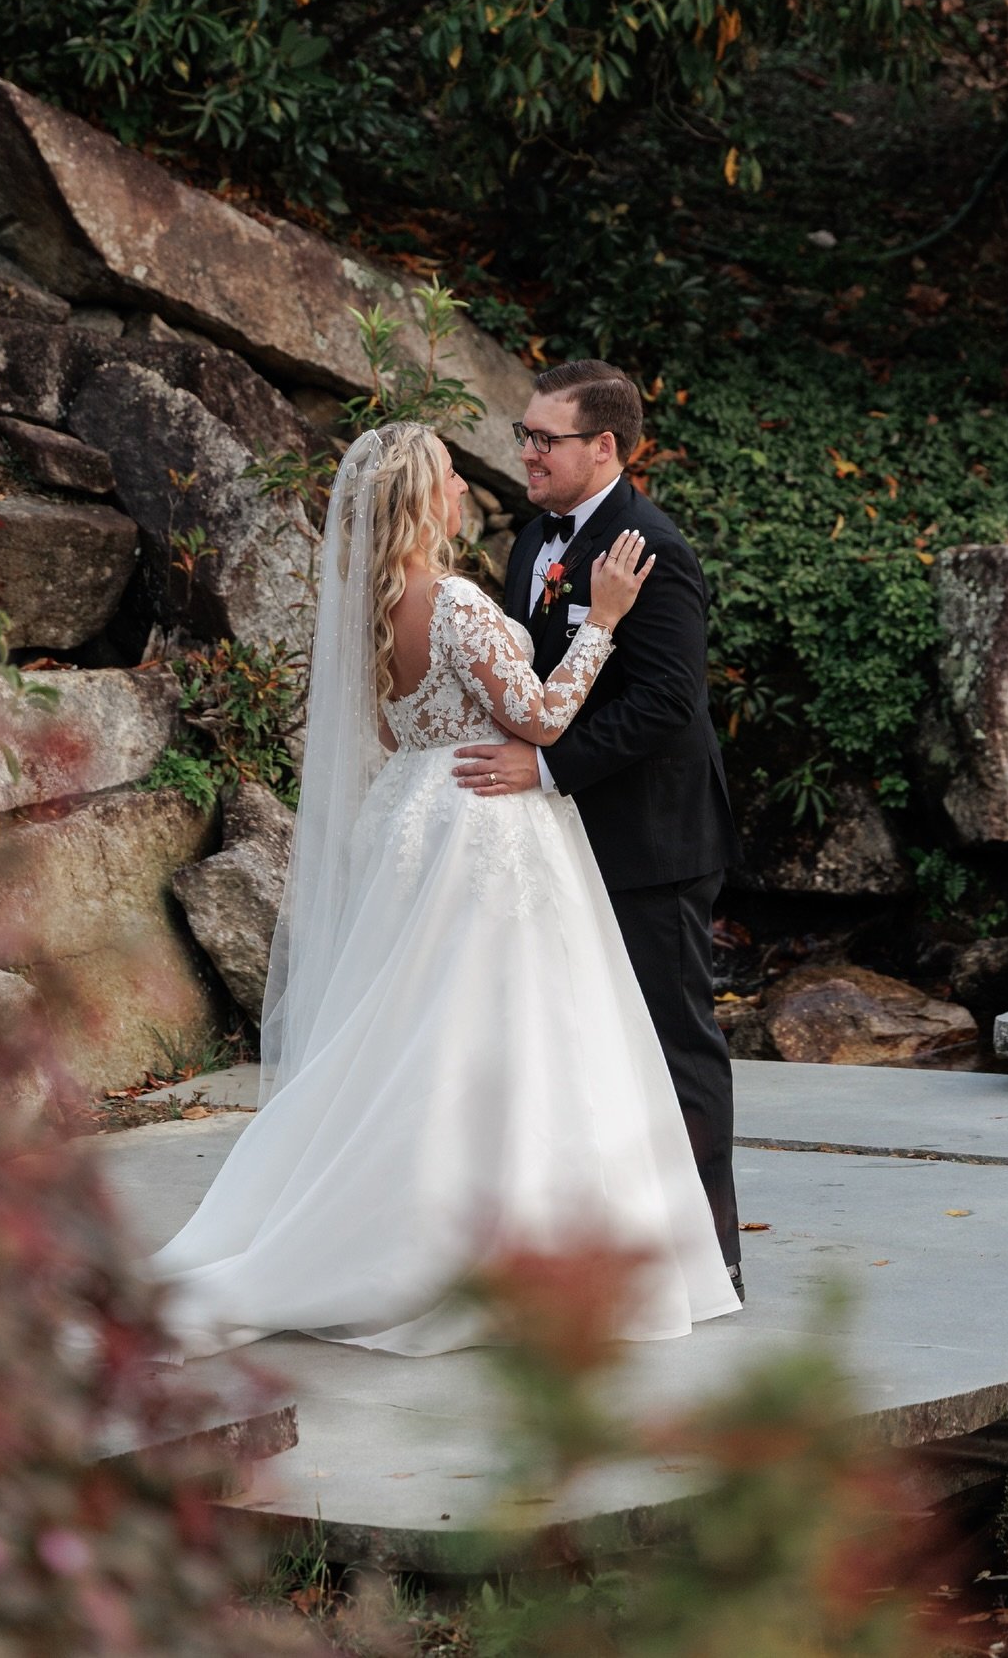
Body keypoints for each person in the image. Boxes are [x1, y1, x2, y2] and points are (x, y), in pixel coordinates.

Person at [147, 421, 741, 1360]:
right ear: (426, 497)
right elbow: (542, 717)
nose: (467, 488)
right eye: (454, 477)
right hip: (483, 826)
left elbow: (395, 733)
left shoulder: (375, 606)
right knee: (505, 1034)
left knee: (417, 1029)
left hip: (413, 817)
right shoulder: (456, 599)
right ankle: (489, 1249)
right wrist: (603, 618)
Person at [452, 361, 744, 1299]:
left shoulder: (653, 548)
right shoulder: (532, 538)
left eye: (547, 439)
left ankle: (712, 1255)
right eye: (526, 435)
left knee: (674, 1045)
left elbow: (667, 701)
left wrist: (545, 768)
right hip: (556, 842)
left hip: (651, 843)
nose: (527, 453)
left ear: (604, 447)